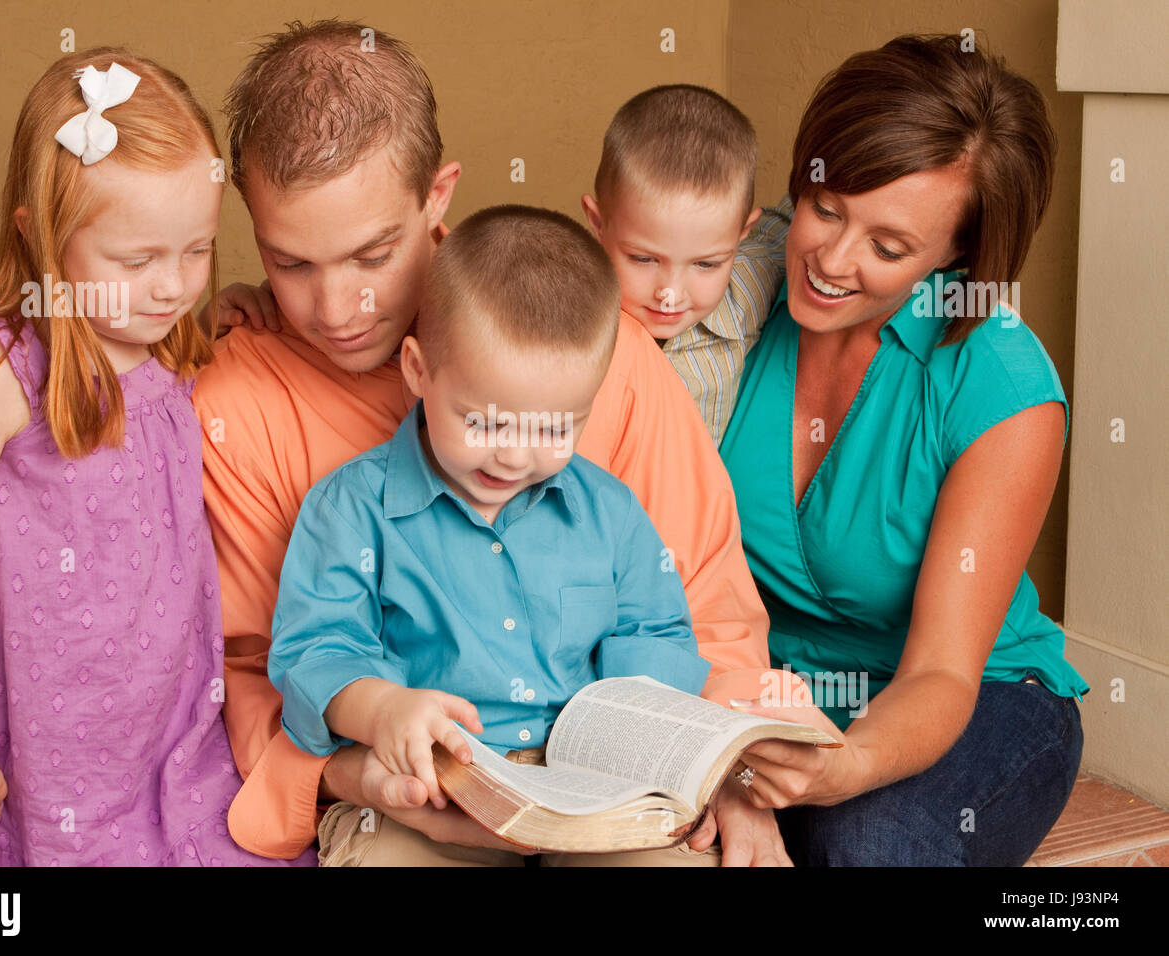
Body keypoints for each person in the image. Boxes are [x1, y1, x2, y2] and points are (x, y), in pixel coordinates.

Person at [193, 18, 796, 865]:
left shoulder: (597, 350)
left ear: (437, 195)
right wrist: (361, 776)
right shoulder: (234, 405)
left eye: (372, 255)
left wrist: (727, 776)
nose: (336, 310)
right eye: (291, 264)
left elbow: (705, 607)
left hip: (603, 791)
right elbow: (257, 670)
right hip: (404, 800)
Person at [0, 49, 311, 866]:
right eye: (137, 260)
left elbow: (181, 308)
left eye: (196, 250)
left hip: (168, 731)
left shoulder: (171, 347)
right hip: (48, 745)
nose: (170, 286)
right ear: (41, 236)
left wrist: (226, 307)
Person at [718, 34, 1087, 865]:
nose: (831, 261)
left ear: (957, 254)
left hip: (969, 696)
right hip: (766, 685)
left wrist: (843, 766)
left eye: (888, 248)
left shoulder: (1001, 389)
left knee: (860, 842)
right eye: (826, 208)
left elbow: (941, 675)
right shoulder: (732, 295)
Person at [269, 205, 717, 865]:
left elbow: (657, 635)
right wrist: (384, 709)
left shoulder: (610, 512)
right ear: (419, 371)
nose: (512, 456)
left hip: (587, 788)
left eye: (553, 428)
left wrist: (646, 741)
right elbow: (315, 651)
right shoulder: (350, 508)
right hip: (429, 790)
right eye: (484, 421)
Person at [581, 84, 791, 443]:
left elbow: (791, 223)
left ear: (742, 234)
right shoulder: (570, 325)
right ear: (598, 225)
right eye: (644, 259)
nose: (670, 294)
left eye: (706, 265)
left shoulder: (754, 279)